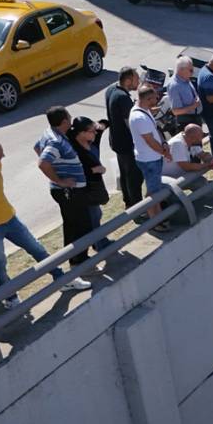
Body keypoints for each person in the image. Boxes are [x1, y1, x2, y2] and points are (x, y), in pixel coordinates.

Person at [0, 139, 88, 306]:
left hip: (10, 219)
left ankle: (62, 280)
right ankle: (11, 298)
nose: (3, 156)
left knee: (36, 248)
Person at [37, 107, 97, 274]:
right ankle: (81, 262)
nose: (71, 122)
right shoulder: (56, 142)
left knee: (72, 226)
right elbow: (43, 163)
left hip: (68, 192)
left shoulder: (48, 133)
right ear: (63, 122)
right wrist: (61, 181)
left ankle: (75, 260)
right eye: (69, 119)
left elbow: (37, 148)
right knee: (81, 226)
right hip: (69, 192)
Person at [129, 85, 173, 232]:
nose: (157, 99)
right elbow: (150, 141)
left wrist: (164, 144)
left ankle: (158, 216)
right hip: (149, 160)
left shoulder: (143, 111)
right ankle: (154, 221)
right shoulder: (139, 117)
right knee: (153, 192)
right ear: (147, 99)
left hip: (151, 158)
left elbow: (154, 132)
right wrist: (163, 152)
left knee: (154, 189)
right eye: (155, 98)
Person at [66, 117, 112, 252]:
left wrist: (100, 124)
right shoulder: (74, 149)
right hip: (86, 188)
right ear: (81, 133)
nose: (95, 133)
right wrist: (94, 170)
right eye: (92, 131)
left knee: (97, 213)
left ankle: (99, 241)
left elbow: (104, 124)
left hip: (96, 185)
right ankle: (99, 243)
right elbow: (74, 169)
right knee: (94, 215)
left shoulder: (92, 140)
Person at [104, 67, 143, 208]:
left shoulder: (111, 89)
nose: (138, 83)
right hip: (126, 143)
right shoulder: (123, 98)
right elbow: (130, 124)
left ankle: (128, 202)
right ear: (128, 81)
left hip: (116, 141)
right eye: (136, 80)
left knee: (125, 173)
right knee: (134, 177)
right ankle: (138, 207)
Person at [167, 57, 201, 130]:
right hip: (186, 123)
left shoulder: (185, 78)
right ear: (181, 70)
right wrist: (194, 106)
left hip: (195, 119)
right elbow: (176, 111)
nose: (193, 72)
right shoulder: (174, 86)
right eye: (191, 70)